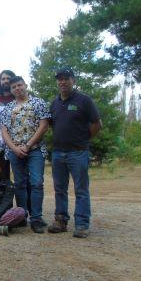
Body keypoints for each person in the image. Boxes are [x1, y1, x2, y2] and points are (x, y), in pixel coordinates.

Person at [48, 67, 102, 238]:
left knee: (81, 190)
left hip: (78, 152)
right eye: (60, 79)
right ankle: (61, 220)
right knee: (60, 189)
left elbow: (96, 124)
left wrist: (84, 140)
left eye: (67, 78)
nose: (63, 82)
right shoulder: (55, 103)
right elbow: (52, 125)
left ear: (74, 80)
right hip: (58, 153)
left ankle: (82, 224)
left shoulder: (84, 100)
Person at [0, 76, 50, 234]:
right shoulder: (8, 108)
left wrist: (28, 145)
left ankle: (36, 218)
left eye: (19, 85)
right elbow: (4, 130)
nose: (17, 89)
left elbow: (43, 126)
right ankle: (21, 216)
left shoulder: (38, 103)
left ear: (25, 85)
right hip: (15, 152)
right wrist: (14, 148)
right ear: (11, 90)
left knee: (36, 183)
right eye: (14, 87)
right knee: (20, 184)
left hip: (35, 149)